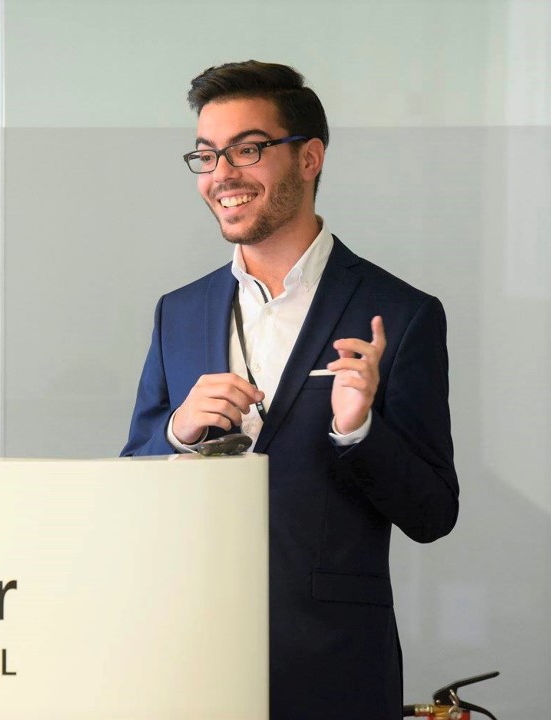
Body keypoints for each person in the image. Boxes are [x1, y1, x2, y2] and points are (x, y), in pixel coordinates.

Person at [121, 60, 459, 720]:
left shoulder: (401, 312)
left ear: (309, 157)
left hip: (333, 669)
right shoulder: (178, 312)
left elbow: (432, 513)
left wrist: (358, 431)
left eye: (247, 149)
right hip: (187, 660)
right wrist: (174, 434)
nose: (222, 174)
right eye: (206, 155)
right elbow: (131, 487)